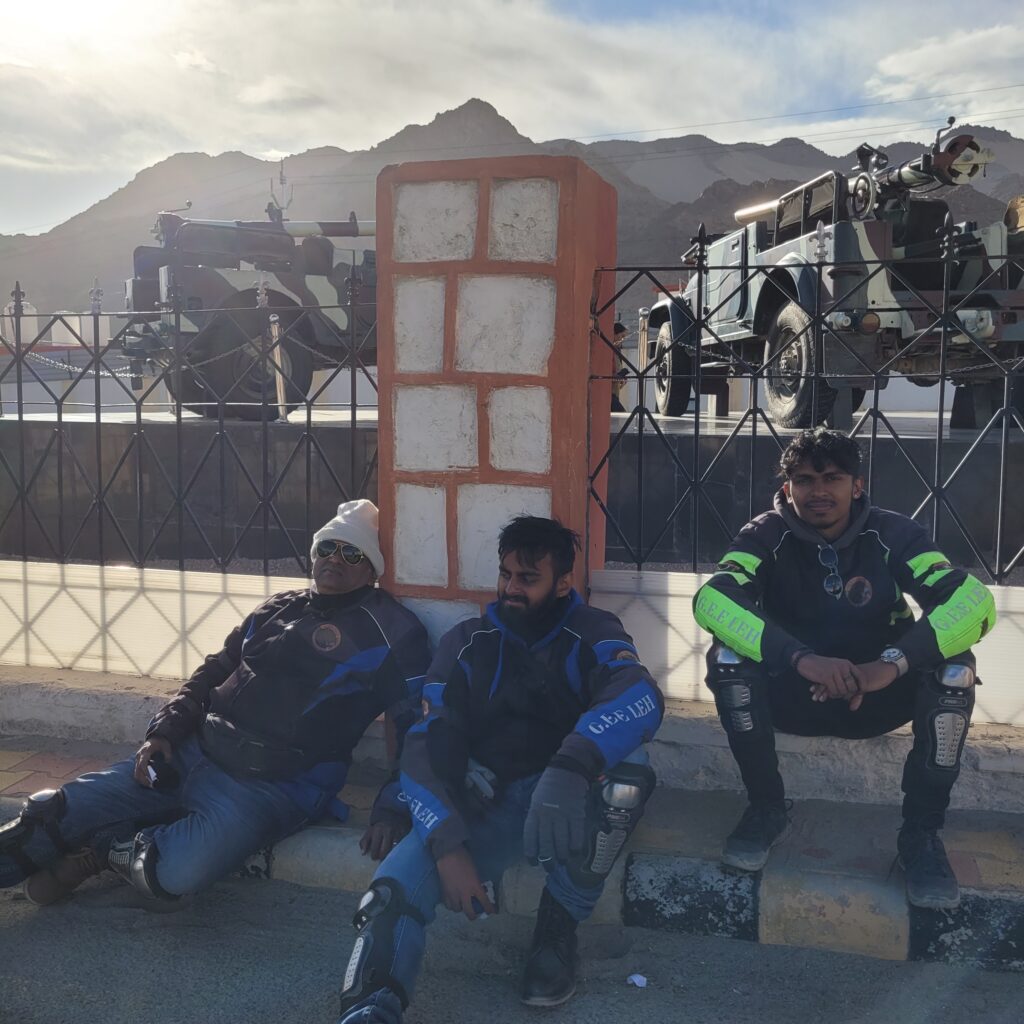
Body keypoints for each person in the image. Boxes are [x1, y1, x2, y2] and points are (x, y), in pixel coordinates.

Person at [0, 499, 430, 904]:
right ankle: (90, 842)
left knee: (171, 873)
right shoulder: (278, 608)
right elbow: (213, 672)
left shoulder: (394, 632)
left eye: (352, 553)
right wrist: (165, 731)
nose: (335, 559)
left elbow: (416, 726)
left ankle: (100, 851)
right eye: (327, 548)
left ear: (371, 570)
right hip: (194, 753)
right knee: (51, 812)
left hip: (273, 787)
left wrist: (393, 809)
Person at [336, 516, 663, 1024]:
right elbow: (424, 745)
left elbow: (639, 695)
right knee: (386, 897)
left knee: (629, 776)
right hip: (486, 804)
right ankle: (369, 1009)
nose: (511, 588)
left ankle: (558, 927)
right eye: (506, 574)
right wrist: (447, 846)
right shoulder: (468, 641)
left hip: (566, 802)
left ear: (562, 583)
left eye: (528, 578)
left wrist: (569, 768)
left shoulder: (594, 631)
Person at [693, 428, 996, 909]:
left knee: (954, 672)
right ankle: (766, 809)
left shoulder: (895, 532)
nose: (818, 491)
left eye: (832, 478)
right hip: (795, 690)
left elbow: (973, 602)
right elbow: (713, 599)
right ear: (788, 486)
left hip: (879, 691)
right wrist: (802, 659)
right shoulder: (763, 534)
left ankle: (921, 835)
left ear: (857, 485)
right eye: (804, 480)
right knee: (728, 659)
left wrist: (889, 666)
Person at [610, 320, 629, 413]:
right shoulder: (608, 349)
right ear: (614, 334)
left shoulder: (617, 350)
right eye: (621, 336)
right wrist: (616, 377)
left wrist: (622, 378)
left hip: (615, 391)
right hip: (609, 392)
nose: (622, 339)